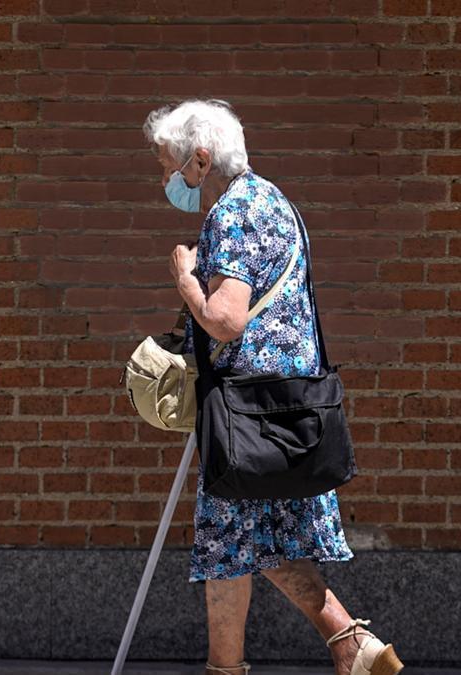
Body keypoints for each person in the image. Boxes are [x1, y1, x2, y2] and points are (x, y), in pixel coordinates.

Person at [143, 99, 405, 675]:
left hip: (245, 413)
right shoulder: (275, 201)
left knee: (231, 545)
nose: (165, 180)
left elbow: (226, 319)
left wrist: (187, 282)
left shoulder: (230, 215)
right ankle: (352, 647)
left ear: (202, 160)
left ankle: (339, 643)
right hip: (288, 407)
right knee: (247, 546)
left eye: (169, 167)